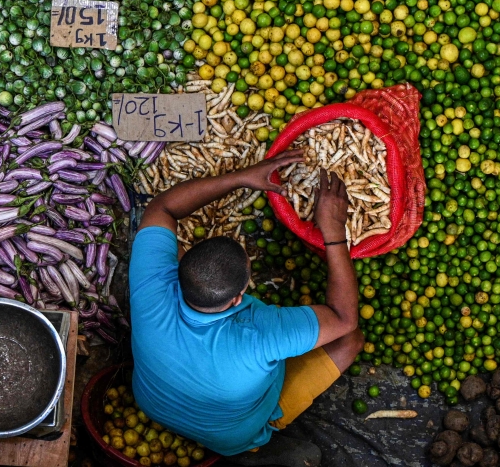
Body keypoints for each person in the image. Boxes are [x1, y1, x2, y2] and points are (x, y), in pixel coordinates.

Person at [128, 149, 362, 458]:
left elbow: (161, 207)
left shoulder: (150, 286)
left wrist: (239, 178)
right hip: (233, 439)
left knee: (163, 242)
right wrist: (333, 231)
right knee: (350, 340)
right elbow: (345, 318)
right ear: (239, 298)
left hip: (152, 405)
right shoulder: (261, 331)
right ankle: (266, 428)